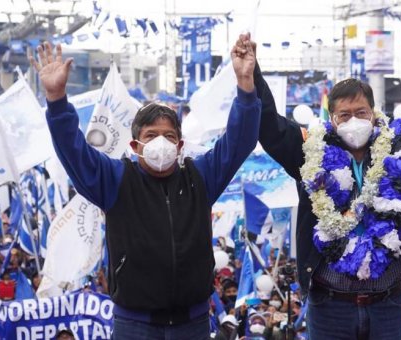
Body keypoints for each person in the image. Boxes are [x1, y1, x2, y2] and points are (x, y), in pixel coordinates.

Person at [242, 30, 401, 338]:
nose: (353, 121)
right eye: (344, 115)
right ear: (332, 119)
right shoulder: (309, 151)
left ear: (374, 115)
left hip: (387, 305)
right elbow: (269, 124)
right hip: (330, 306)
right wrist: (251, 73)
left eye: (361, 112)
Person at [29, 37, 260, 339]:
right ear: (135, 145)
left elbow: (238, 141)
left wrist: (245, 83)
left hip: (193, 324)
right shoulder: (115, 180)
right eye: (151, 135)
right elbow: (75, 154)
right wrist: (57, 99)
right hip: (134, 325)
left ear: (179, 145)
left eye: (168, 135)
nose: (160, 142)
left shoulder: (199, 177)